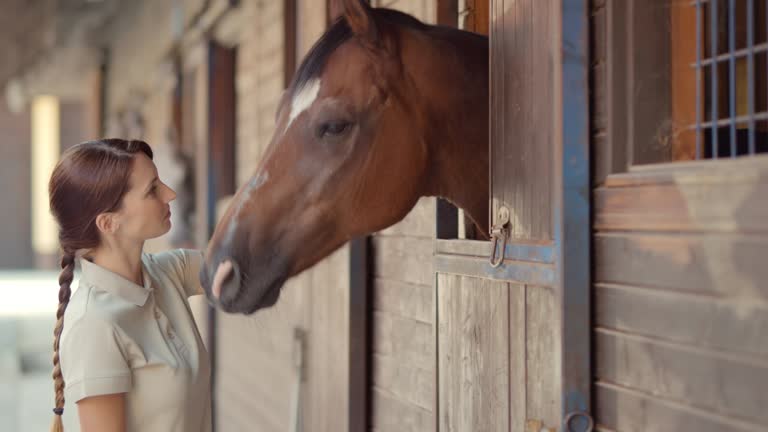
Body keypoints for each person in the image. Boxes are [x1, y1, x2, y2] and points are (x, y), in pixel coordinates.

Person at [47, 138, 211, 432]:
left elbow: (250, 257)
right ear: (109, 223)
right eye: (152, 190)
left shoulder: (170, 272)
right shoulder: (93, 326)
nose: (170, 194)